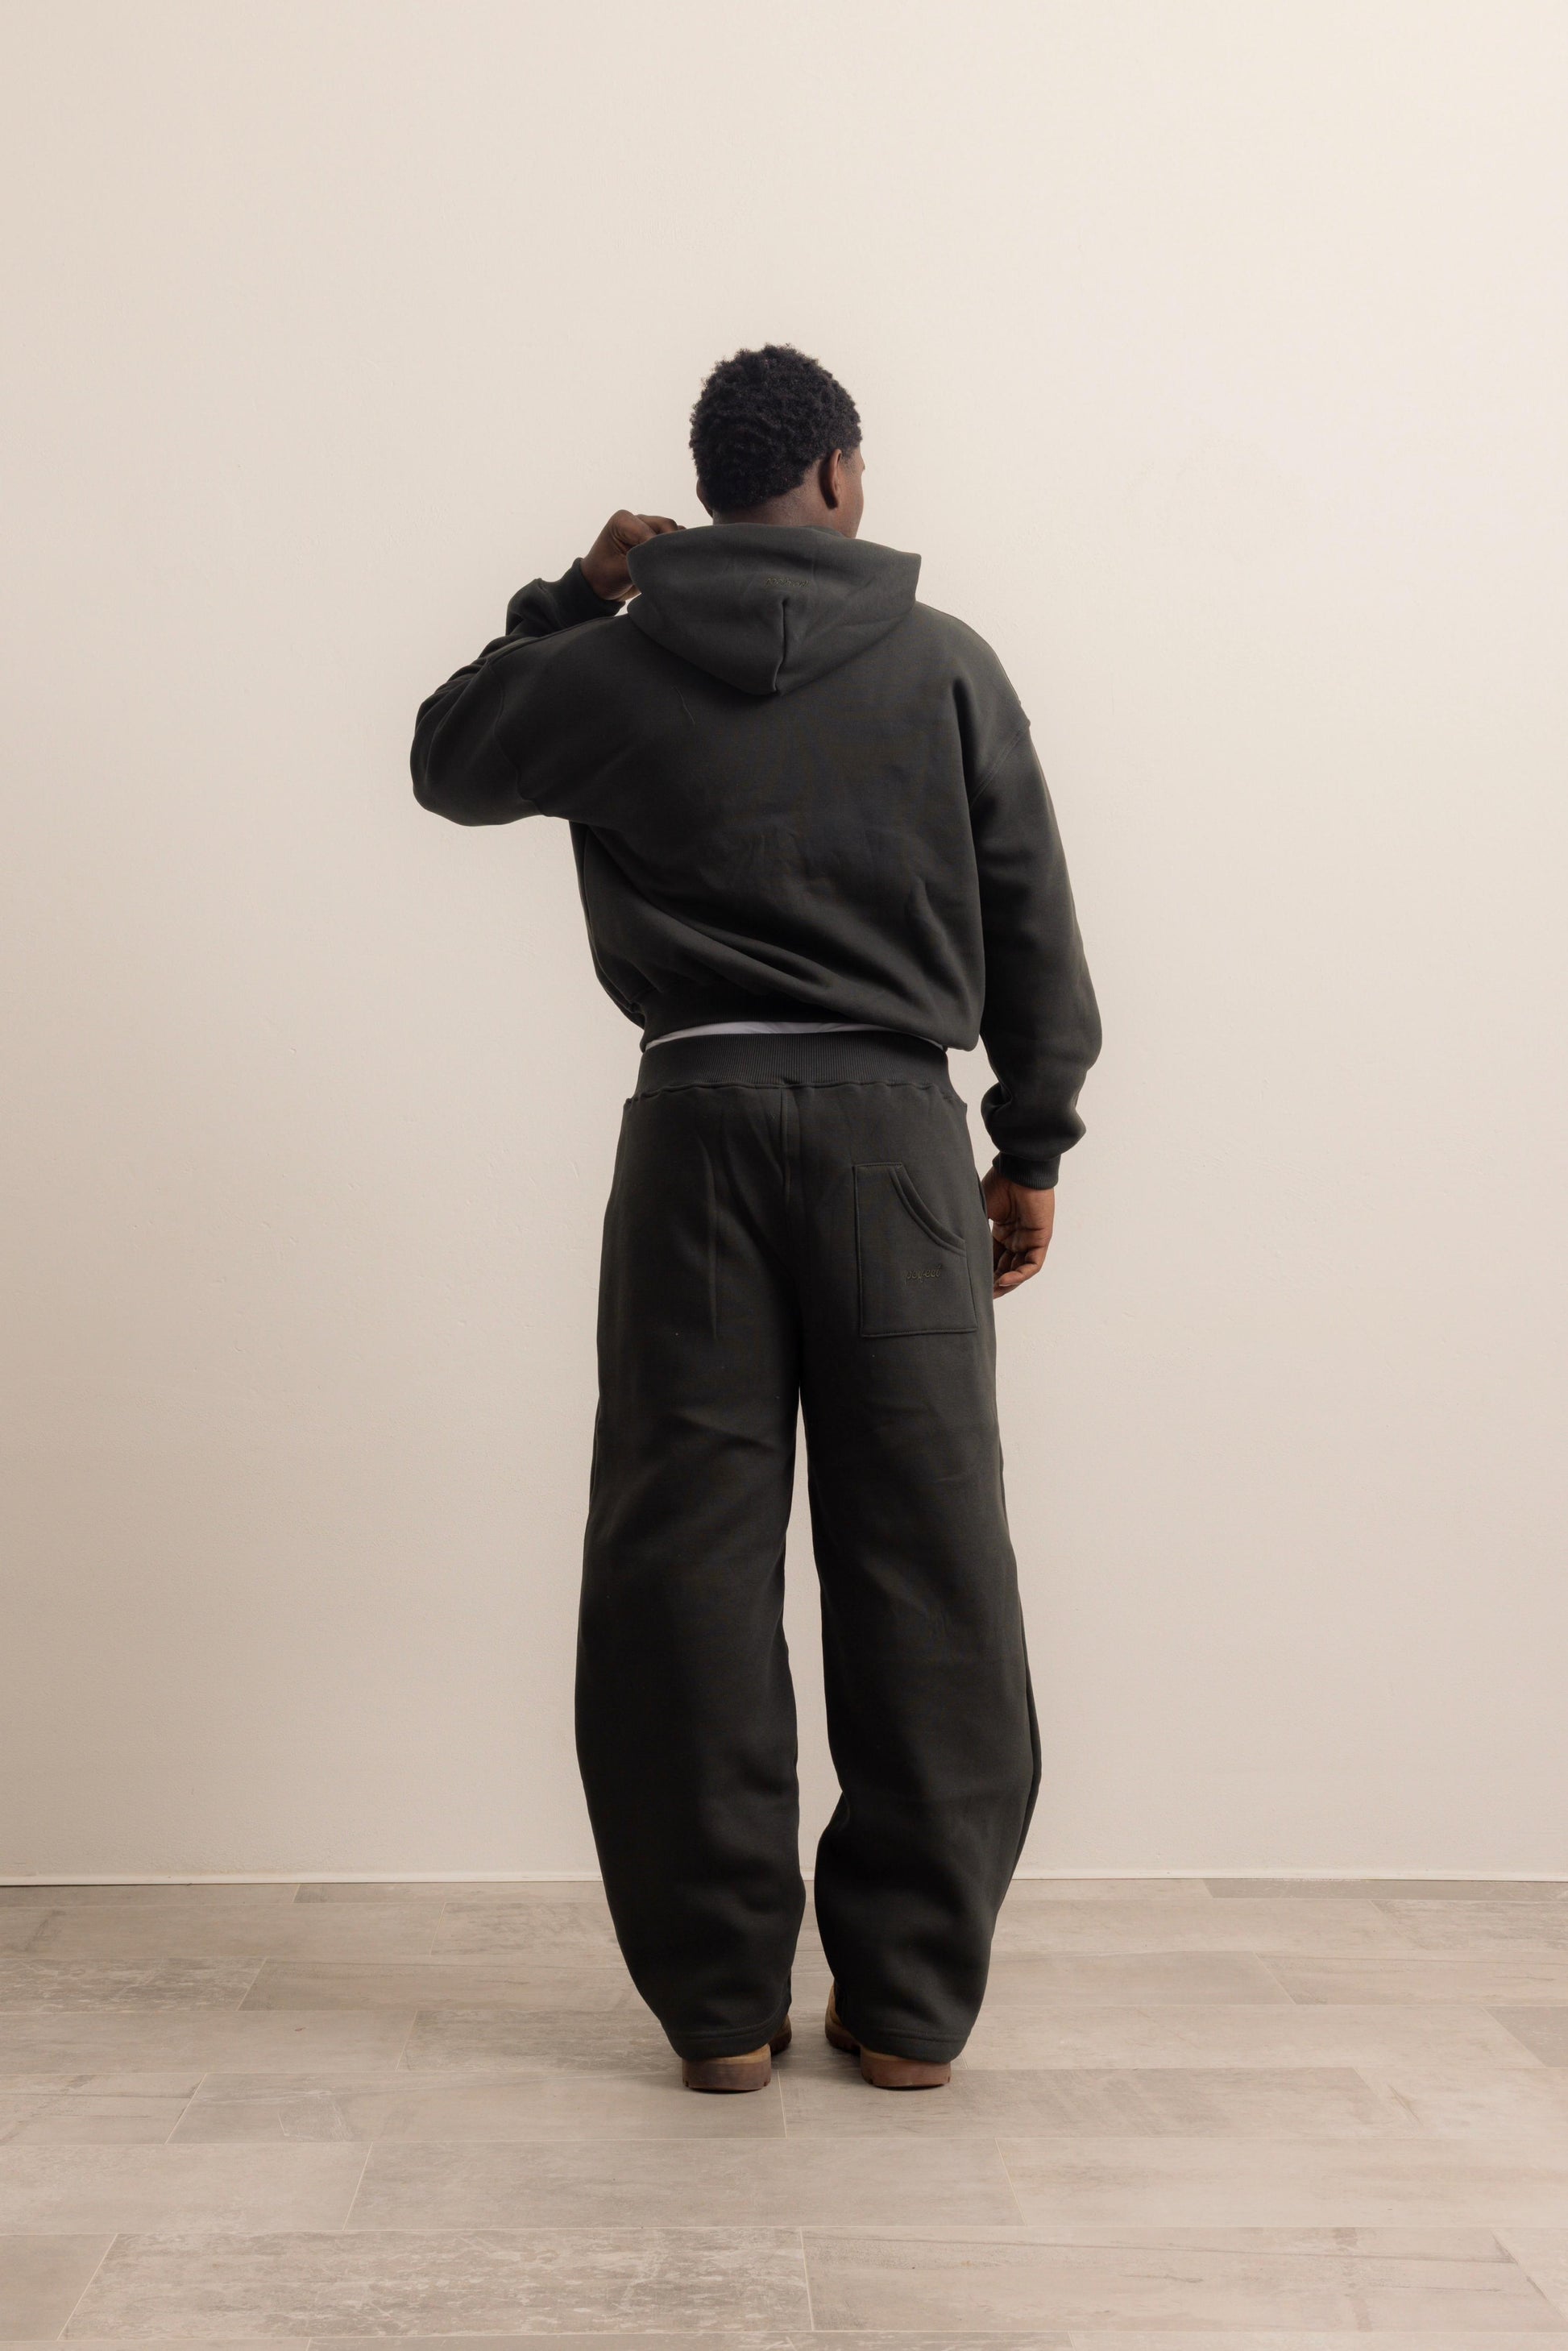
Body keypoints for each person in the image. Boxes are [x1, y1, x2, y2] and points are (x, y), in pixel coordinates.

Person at [411, 344, 1100, 2092]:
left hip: (696, 1129)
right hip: (895, 1137)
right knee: (929, 1565)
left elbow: (447, 757)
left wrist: (573, 595)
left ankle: (719, 2009)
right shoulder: (947, 664)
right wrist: (1027, 1143)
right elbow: (1030, 914)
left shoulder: (609, 665)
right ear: (841, 477)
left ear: (703, 496)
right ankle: (910, 2008)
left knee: (683, 1566)